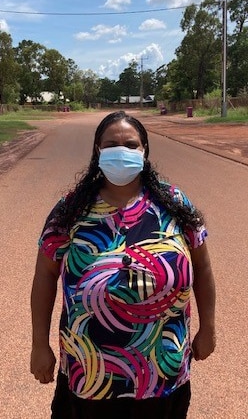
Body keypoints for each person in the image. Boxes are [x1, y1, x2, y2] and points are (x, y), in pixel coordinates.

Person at [30, 110, 216, 419]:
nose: (122, 151)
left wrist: (208, 328)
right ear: (98, 151)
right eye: (111, 144)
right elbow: (45, 275)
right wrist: (39, 344)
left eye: (131, 144)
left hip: (162, 373)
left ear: (145, 151)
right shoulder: (71, 210)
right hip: (90, 374)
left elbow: (204, 270)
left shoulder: (176, 205)